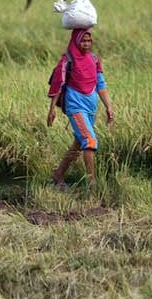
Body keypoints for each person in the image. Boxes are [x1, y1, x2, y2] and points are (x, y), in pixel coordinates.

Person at [47, 28, 114, 188]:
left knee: (79, 143)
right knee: (89, 140)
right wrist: (52, 109)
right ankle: (92, 182)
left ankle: (58, 175)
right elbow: (58, 83)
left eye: (89, 41)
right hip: (75, 106)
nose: (86, 44)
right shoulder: (67, 60)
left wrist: (108, 107)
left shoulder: (94, 59)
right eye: (83, 41)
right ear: (76, 41)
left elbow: (101, 84)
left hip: (91, 108)